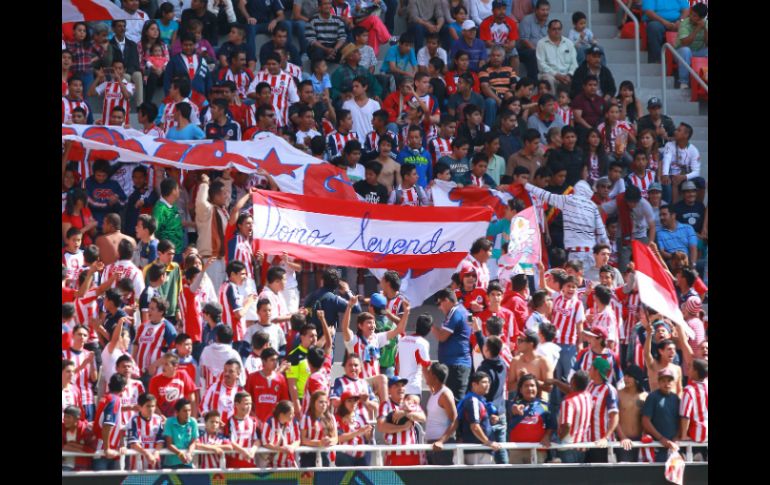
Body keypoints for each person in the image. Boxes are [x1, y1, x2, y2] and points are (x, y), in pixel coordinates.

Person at [600, 185, 656, 271]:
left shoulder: (645, 205)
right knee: (624, 266)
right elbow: (601, 209)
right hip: (623, 236)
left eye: (635, 202)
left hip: (640, 235)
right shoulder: (619, 201)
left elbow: (652, 227)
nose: (632, 204)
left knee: (644, 264)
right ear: (626, 200)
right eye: (630, 202)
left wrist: (650, 244)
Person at [432, 288, 472, 401]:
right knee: (452, 403)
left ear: (446, 301)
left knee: (453, 403)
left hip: (456, 366)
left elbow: (442, 337)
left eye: (439, 304)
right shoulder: (464, 310)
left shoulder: (455, 312)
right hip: (459, 364)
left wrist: (431, 325)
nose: (439, 308)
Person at [454, 371, 502, 464]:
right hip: (477, 451)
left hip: (479, 449)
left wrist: (489, 419)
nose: (487, 385)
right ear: (474, 384)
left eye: (488, 382)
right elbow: (474, 426)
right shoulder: (473, 401)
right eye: (484, 382)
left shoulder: (478, 400)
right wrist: (488, 442)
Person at [377, 376, 426, 466]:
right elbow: (381, 426)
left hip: (413, 453)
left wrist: (405, 414)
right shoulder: (385, 405)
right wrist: (403, 427)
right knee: (394, 480)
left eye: (402, 385)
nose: (401, 388)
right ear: (389, 390)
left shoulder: (410, 403)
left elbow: (422, 417)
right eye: (396, 386)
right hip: (394, 454)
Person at [507, 373, 554, 463]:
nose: (530, 388)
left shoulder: (544, 406)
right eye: (526, 386)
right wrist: (515, 408)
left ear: (537, 388)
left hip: (538, 450)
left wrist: (547, 436)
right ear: (520, 390)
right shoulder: (513, 403)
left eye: (532, 386)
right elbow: (511, 408)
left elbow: (551, 426)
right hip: (517, 450)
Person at [642, 368, 681, 462]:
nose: (666, 383)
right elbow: (645, 421)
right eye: (663, 381)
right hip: (656, 445)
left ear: (673, 382)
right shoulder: (652, 397)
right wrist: (661, 438)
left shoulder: (676, 399)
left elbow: (681, 420)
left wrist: (676, 437)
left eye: (669, 380)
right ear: (658, 382)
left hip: (673, 446)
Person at [93, 374, 128, 471]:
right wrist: (107, 449)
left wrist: (121, 444)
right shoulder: (114, 400)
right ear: (123, 388)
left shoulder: (107, 397)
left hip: (111, 449)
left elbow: (117, 424)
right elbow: (107, 425)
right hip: (104, 452)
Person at [149, 352, 198, 417]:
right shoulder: (154, 380)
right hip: (163, 418)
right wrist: (161, 417)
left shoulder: (182, 375)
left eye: (166, 364)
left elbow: (192, 398)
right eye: (162, 364)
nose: (163, 367)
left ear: (175, 366)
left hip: (181, 417)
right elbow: (153, 403)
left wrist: (193, 418)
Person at [535, 19, 577, 94]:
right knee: (548, 79)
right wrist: (556, 75)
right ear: (548, 31)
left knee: (579, 78)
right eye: (554, 29)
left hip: (567, 75)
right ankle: (552, 104)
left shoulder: (569, 43)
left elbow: (574, 63)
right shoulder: (541, 43)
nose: (557, 31)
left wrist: (569, 75)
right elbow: (541, 65)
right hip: (549, 74)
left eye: (559, 29)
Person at [335, 387, 374, 466]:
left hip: (363, 458)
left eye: (355, 401)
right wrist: (358, 432)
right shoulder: (337, 418)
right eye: (349, 401)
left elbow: (368, 438)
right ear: (343, 403)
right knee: (346, 479)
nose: (353, 403)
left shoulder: (362, 416)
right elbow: (338, 438)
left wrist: (368, 433)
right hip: (345, 458)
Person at [126, 393, 165, 471]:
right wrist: (147, 454)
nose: (151, 409)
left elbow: (160, 441)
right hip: (137, 464)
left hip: (154, 462)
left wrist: (156, 453)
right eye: (148, 406)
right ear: (140, 407)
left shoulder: (158, 419)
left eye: (153, 406)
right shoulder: (134, 420)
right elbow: (133, 444)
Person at [300, 390, 338, 467]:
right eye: (321, 402)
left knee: (325, 478)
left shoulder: (331, 418)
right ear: (313, 403)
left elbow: (336, 438)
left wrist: (329, 441)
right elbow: (303, 439)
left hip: (326, 455)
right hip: (308, 456)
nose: (324, 405)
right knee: (308, 479)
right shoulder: (306, 417)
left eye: (325, 402)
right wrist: (319, 443)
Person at [224, 392, 261, 468]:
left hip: (251, 466)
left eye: (250, 404)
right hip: (233, 467)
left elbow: (257, 440)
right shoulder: (230, 422)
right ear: (237, 405)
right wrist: (243, 451)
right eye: (246, 404)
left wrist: (253, 450)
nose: (249, 407)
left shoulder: (254, 421)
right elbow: (230, 441)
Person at [261, 400, 302, 468]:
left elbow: (298, 439)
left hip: (289, 465)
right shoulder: (270, 421)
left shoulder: (294, 421)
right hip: (272, 466)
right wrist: (281, 449)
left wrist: (292, 447)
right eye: (291, 414)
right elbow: (265, 442)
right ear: (281, 414)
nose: (293, 415)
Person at [163, 398, 199, 468]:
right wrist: (180, 454)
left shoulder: (193, 422)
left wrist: (189, 453)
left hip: (187, 463)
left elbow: (193, 442)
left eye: (189, 410)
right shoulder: (169, 422)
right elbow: (169, 444)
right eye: (184, 411)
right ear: (177, 412)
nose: (188, 413)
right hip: (171, 464)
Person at [62, 405, 96, 471]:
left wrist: (72, 445)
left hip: (82, 467)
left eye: (68, 417)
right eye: (64, 417)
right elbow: (64, 446)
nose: (65, 419)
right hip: (64, 464)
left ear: (77, 419)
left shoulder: (86, 431)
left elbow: (92, 449)